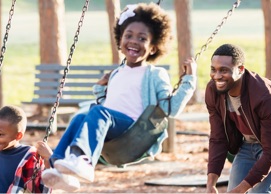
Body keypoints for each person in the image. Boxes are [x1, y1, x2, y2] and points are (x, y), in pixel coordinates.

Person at [41, 2, 197, 192]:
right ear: (120, 41)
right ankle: (59, 167)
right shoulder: (116, 73)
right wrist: (100, 89)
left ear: (154, 48)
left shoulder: (154, 74)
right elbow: (109, 104)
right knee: (80, 117)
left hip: (134, 131)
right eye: (128, 35)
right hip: (112, 128)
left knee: (98, 113)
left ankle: (84, 160)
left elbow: (170, 109)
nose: (133, 41)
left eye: (142, 38)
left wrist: (189, 79)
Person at [204, 44, 271, 193]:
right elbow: (218, 138)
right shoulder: (213, 91)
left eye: (224, 70)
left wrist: (242, 189)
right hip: (248, 142)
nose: (217, 76)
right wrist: (211, 183)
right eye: (213, 69)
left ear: (240, 69)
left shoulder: (267, 97)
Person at [0, 105, 51, 193]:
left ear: (18, 135)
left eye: (0, 134)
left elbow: (42, 189)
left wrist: (49, 160)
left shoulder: (28, 157)